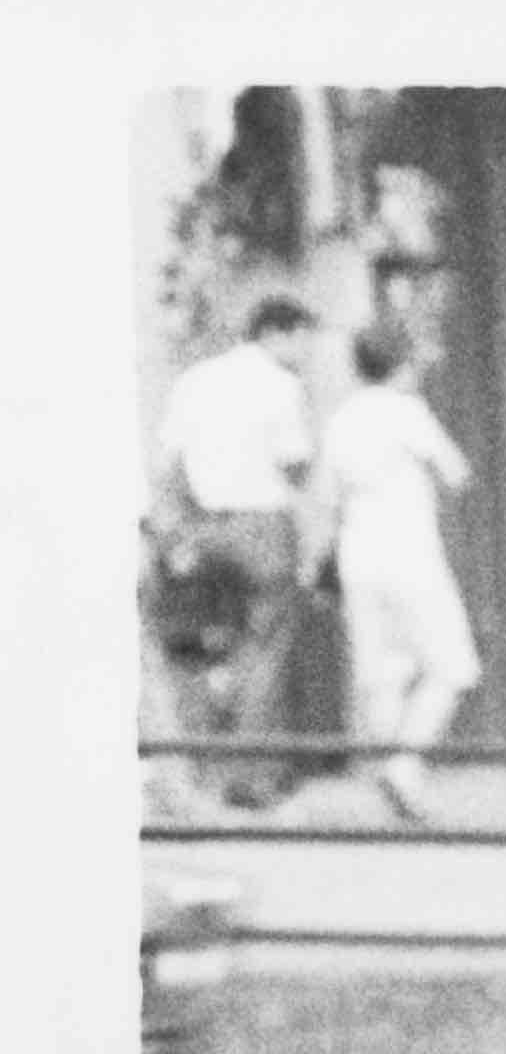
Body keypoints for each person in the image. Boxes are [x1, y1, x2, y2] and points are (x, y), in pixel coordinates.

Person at [151, 286, 319, 794]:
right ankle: (253, 776)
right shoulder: (280, 385)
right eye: (301, 340)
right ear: (275, 334)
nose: (304, 353)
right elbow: (295, 461)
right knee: (264, 649)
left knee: (198, 649)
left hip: (202, 528)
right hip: (262, 526)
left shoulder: (194, 379)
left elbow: (169, 462)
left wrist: (177, 530)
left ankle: (200, 770)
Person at [314, 322, 478, 814]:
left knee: (380, 668)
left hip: (358, 554)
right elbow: (456, 472)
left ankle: (389, 771)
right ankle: (403, 770)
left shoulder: (342, 418)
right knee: (453, 665)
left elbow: (327, 496)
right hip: (411, 552)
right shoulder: (407, 412)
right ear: (400, 365)